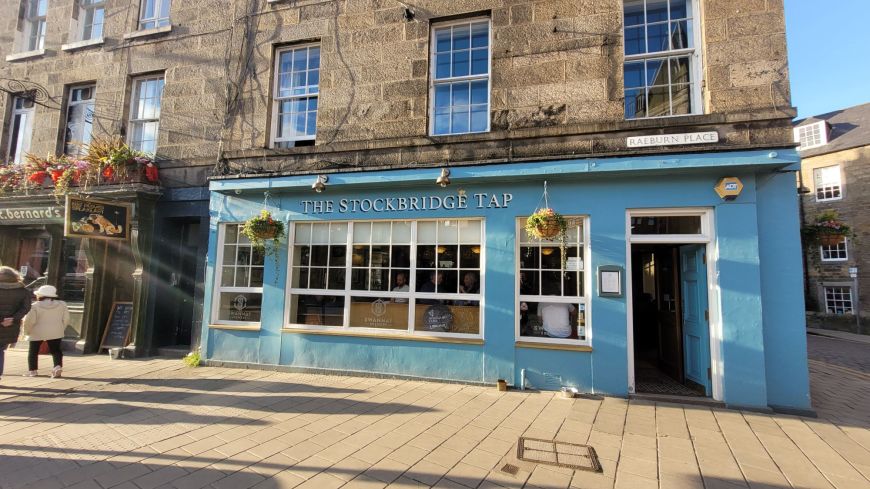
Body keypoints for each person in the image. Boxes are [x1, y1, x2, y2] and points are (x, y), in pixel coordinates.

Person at [21, 285, 69, 378]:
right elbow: (66, 319)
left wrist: (26, 332)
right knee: (56, 350)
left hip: (37, 331)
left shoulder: (34, 306)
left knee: (33, 351)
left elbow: (29, 321)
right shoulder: (62, 304)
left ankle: (33, 371)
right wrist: (61, 328)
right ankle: (57, 366)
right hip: (56, 331)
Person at [0, 267, 32, 382]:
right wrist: (12, 318)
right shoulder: (23, 290)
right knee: (1, 350)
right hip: (10, 326)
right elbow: (26, 308)